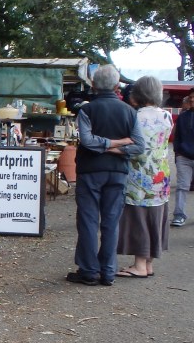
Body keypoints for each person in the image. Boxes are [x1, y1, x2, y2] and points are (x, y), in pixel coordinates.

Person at [68, 64, 145, 286]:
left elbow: (88, 141)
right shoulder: (130, 111)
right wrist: (118, 145)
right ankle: (108, 271)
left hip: (90, 170)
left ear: (93, 84)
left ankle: (89, 270)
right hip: (118, 171)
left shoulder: (87, 110)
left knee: (88, 220)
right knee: (111, 222)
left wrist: (103, 146)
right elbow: (139, 145)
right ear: (116, 85)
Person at [116, 76, 172, 277]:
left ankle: (139, 265)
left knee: (138, 217)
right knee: (155, 216)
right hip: (160, 174)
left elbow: (135, 147)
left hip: (140, 175)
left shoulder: (135, 116)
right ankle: (148, 264)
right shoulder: (166, 116)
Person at [171, 94, 194, 227]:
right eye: (190, 99)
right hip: (184, 157)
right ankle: (179, 215)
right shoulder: (183, 117)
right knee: (182, 186)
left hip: (184, 154)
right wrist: (178, 152)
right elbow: (177, 136)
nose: (191, 101)